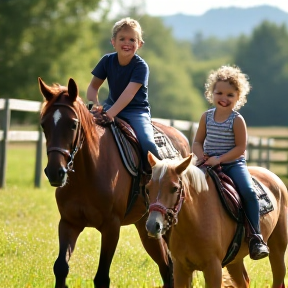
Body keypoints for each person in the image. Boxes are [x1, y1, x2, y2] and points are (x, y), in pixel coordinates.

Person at [192, 65, 269, 260]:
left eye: (230, 94)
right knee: (183, 185)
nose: (223, 98)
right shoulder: (206, 117)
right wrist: (201, 157)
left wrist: (220, 159)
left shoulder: (237, 120)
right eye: (219, 93)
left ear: (238, 96)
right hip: (207, 161)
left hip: (233, 164)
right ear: (211, 93)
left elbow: (240, 148)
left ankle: (255, 237)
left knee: (249, 192)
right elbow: (197, 141)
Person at [86, 17, 160, 174]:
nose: (127, 43)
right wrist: (96, 105)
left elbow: (128, 94)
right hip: (110, 106)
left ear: (139, 44)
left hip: (136, 111)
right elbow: (93, 87)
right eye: (122, 39)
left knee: (148, 144)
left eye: (132, 39)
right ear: (113, 42)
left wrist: (109, 114)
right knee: (83, 130)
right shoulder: (107, 61)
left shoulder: (141, 67)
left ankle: (155, 178)